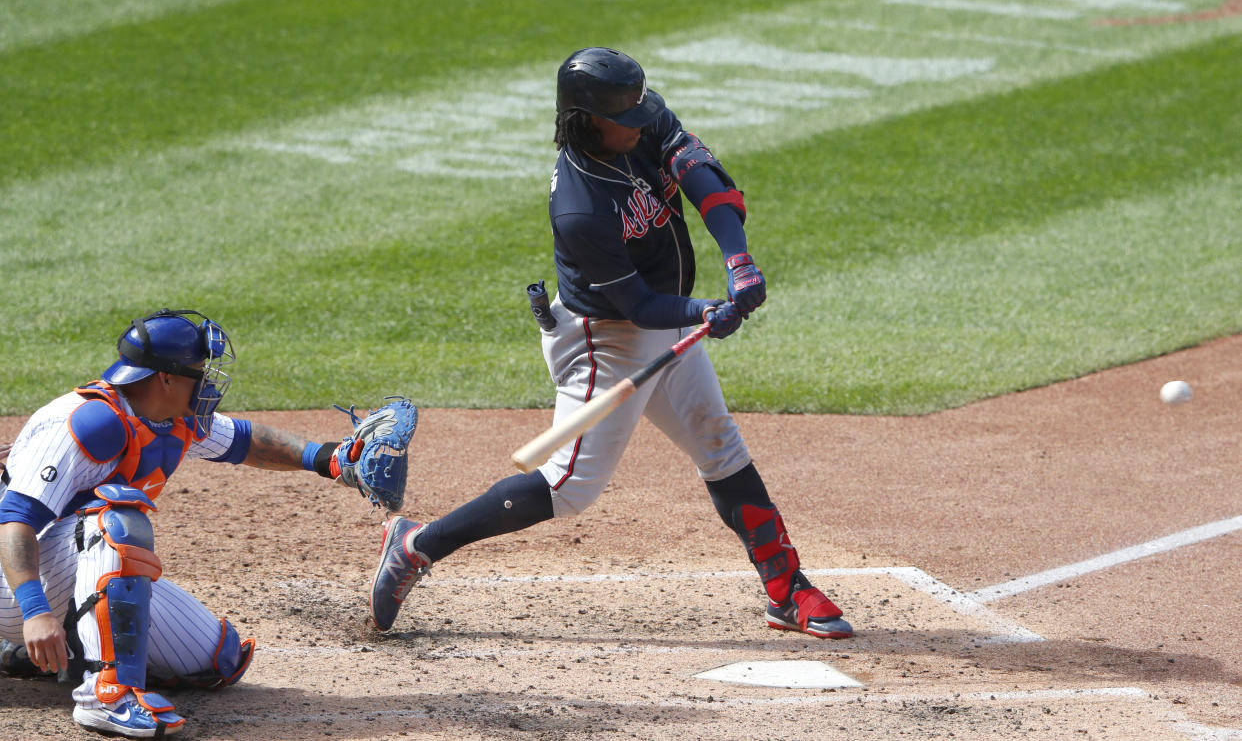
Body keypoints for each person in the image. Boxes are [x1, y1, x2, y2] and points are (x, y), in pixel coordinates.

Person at [369, 47, 853, 641]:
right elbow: (639, 308)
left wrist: (739, 260)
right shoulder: (579, 208)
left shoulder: (639, 118)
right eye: (624, 116)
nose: (640, 123)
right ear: (586, 119)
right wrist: (709, 310)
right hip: (607, 339)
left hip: (667, 320)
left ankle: (788, 590)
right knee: (567, 488)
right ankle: (416, 544)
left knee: (721, 447)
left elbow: (707, 180)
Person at [0, 308, 361, 738]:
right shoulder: (87, 424)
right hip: (14, 586)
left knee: (218, 661)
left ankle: (61, 647)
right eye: (199, 370)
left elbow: (245, 441)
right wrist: (36, 614)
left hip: (56, 572)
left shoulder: (169, 417)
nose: (208, 380)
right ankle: (105, 696)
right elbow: (16, 521)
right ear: (165, 378)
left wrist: (330, 459)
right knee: (115, 523)